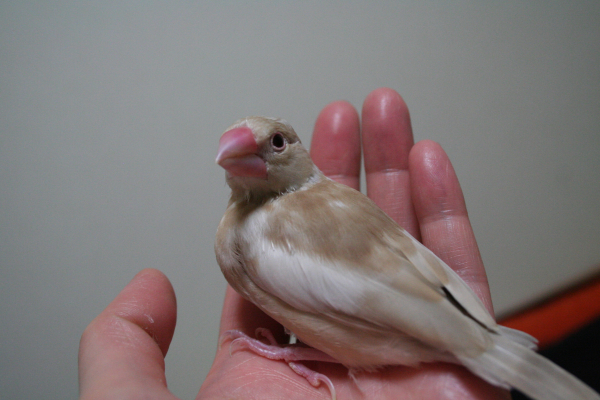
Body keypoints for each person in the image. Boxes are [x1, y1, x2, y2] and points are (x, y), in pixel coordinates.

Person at [78, 88, 510, 399]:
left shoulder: (249, 236)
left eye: (277, 144)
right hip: (437, 319)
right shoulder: (333, 202)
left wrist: (292, 354)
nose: (250, 155)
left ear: (298, 153)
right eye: (240, 152)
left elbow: (362, 320)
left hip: (409, 330)